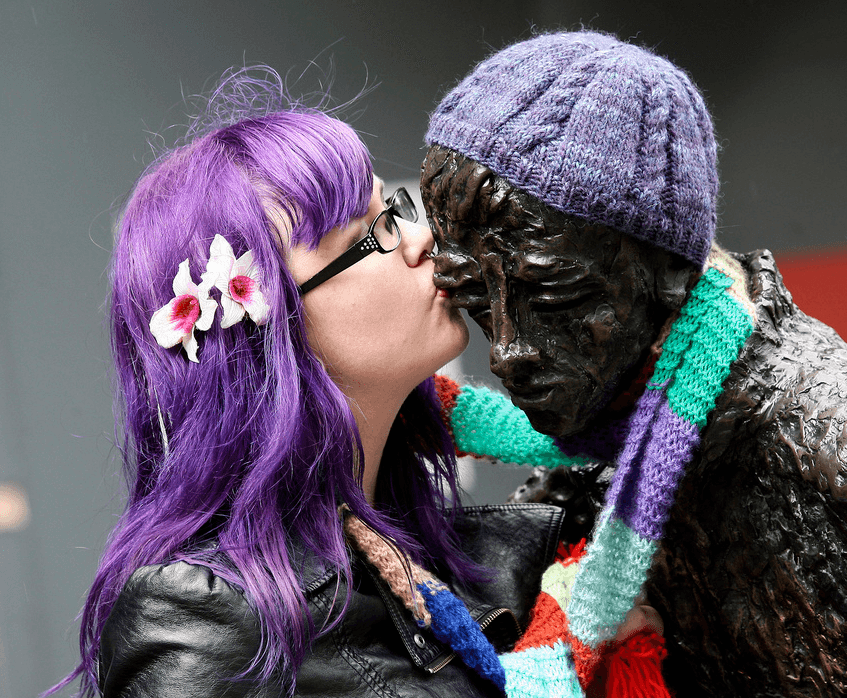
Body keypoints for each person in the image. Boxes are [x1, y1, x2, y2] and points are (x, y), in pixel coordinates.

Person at [419, 31, 847, 697]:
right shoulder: (576, 486)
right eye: (471, 292)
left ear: (670, 272)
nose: (506, 352)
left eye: (558, 297)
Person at [53, 70, 565, 698]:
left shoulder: (474, 561)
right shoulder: (205, 629)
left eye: (394, 211)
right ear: (269, 332)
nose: (423, 239)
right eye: (371, 233)